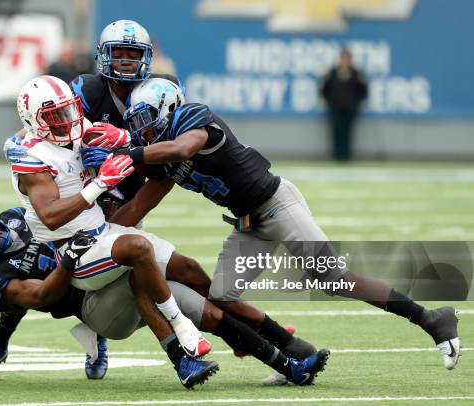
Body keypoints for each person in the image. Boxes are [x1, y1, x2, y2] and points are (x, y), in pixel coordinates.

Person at [3, 19, 319, 386]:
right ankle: (156, 339)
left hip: (141, 180)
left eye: (132, 54)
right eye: (117, 53)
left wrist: (122, 156)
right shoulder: (77, 102)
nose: (123, 62)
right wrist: (98, 179)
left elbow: (166, 157)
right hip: (92, 201)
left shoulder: (160, 89)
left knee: (183, 274)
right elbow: (46, 140)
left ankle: (271, 338)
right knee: (132, 276)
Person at [95, 77, 459, 371]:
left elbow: (182, 149)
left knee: (331, 278)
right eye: (136, 125)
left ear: (168, 108)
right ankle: (296, 350)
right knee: (223, 296)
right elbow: (142, 201)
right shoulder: (157, 157)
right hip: (247, 224)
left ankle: (430, 318)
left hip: (277, 204)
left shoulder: (194, 118)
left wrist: (126, 152)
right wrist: (98, 230)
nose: (141, 132)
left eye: (145, 121)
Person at [0, 208, 330, 387]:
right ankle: (182, 361)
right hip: (93, 307)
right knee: (134, 270)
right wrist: (70, 259)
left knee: (208, 314)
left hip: (107, 276)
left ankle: (287, 365)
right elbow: (42, 296)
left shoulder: (17, 218)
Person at [321, 48, 368, 161]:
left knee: (348, 131)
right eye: (343, 58)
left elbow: (362, 89)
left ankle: (346, 155)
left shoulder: (356, 73)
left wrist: (361, 100)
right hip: (335, 106)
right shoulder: (333, 72)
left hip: (350, 106)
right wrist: (325, 99)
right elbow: (325, 87)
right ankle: (337, 154)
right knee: (336, 130)